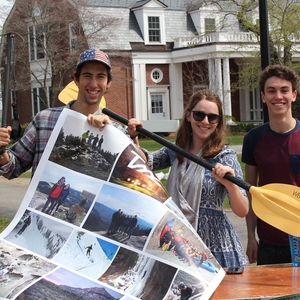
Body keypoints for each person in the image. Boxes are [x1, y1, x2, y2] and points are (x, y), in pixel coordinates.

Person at [129, 89, 249, 268]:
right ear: (188, 116)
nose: (205, 122)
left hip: (216, 247)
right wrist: (133, 136)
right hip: (180, 241)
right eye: (199, 115)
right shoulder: (176, 150)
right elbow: (144, 163)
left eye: (212, 117)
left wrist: (230, 186)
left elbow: (242, 210)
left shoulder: (225, 156)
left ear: (218, 122)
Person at [0, 49, 144, 179]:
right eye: (87, 76)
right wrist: (1, 152)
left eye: (100, 77)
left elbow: (139, 172)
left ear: (109, 83)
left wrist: (113, 134)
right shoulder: (45, 120)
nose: (93, 84)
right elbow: (14, 167)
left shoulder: (115, 130)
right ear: (76, 79)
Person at [242, 64, 300, 265]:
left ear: (293, 95)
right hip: (268, 243)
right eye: (271, 91)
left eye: (284, 90)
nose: (278, 96)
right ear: (263, 97)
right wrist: (251, 236)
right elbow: (250, 191)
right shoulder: (253, 139)